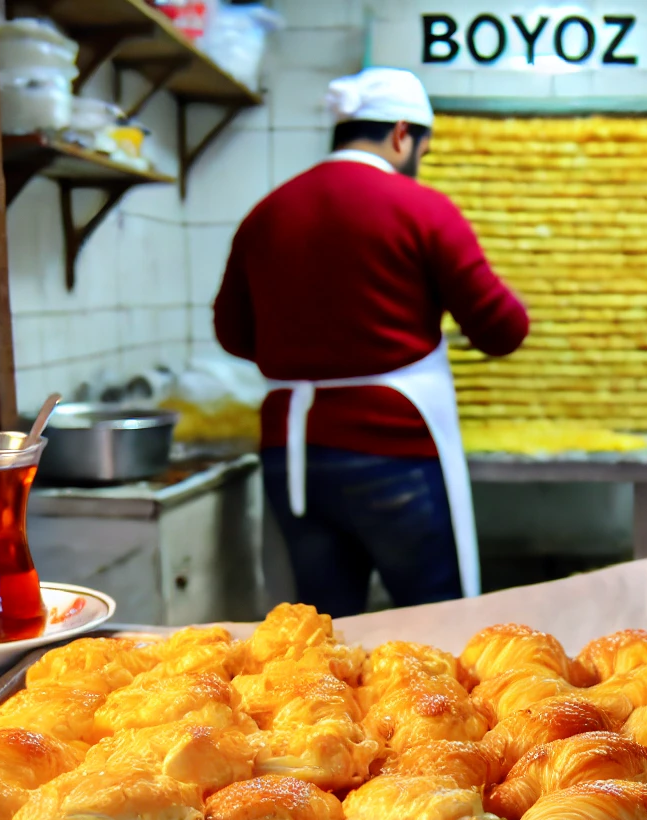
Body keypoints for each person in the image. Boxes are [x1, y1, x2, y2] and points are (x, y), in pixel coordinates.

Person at [214, 67, 528, 617]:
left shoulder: (267, 214)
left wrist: (313, 352)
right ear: (403, 134)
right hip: (396, 451)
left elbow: (233, 335)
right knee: (436, 627)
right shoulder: (421, 208)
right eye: (421, 152)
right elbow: (502, 330)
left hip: (294, 456)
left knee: (323, 640)